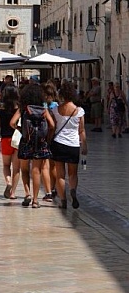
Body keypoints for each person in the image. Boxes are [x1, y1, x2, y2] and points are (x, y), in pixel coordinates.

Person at [10, 83, 54, 208]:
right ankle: (35, 200)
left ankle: (27, 194)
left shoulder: (23, 108)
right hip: (40, 142)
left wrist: (20, 129)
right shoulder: (43, 109)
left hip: (26, 141)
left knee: (24, 169)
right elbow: (52, 125)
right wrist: (46, 136)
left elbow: (12, 122)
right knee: (36, 170)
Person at [50, 81, 87, 209]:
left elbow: (53, 127)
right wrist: (85, 146)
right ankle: (72, 191)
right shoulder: (79, 111)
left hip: (59, 143)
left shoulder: (56, 109)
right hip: (73, 144)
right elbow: (81, 130)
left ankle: (63, 200)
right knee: (73, 173)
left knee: (60, 174)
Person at [0, 85, 20, 199]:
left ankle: (8, 182)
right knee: (16, 168)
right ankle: (13, 193)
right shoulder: (19, 108)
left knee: (6, 165)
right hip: (17, 139)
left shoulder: (0, 108)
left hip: (5, 139)